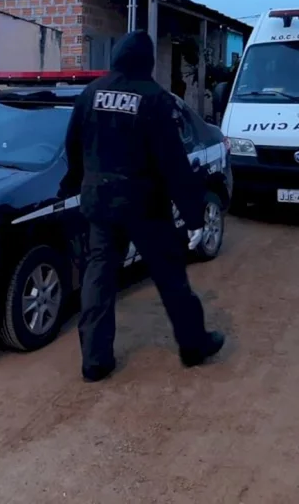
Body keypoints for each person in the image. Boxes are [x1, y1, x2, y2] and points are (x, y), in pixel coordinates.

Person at [62, 30, 225, 382]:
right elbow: (173, 163)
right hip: (144, 206)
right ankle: (193, 345)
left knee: (99, 278)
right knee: (170, 277)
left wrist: (73, 185)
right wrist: (193, 216)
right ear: (147, 61)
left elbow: (73, 145)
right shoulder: (154, 98)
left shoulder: (91, 93)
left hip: (100, 203)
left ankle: (95, 361)